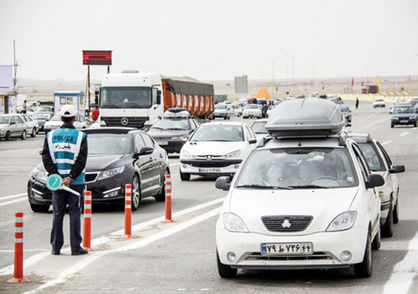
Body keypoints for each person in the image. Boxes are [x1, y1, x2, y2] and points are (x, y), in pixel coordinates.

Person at [41, 105, 88, 256]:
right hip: (76, 182)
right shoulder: (81, 136)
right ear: (74, 118)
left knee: (58, 213)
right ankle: (75, 247)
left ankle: (56, 247)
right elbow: (81, 160)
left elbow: (46, 158)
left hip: (57, 182)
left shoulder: (50, 136)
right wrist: (70, 178)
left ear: (61, 118)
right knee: (75, 212)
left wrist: (57, 176)